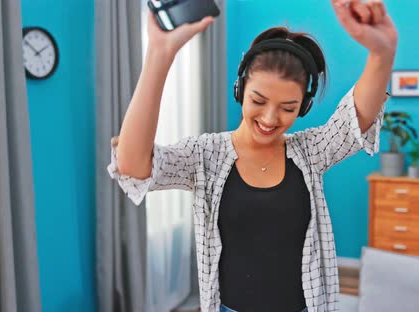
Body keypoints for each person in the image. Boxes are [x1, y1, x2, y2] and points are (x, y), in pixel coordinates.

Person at [108, 0, 397, 311]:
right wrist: (159, 54)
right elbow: (133, 167)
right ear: (240, 89)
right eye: (258, 100)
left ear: (304, 107)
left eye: (288, 108)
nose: (270, 118)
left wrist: (383, 54)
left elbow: (355, 121)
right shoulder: (206, 155)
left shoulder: (310, 152)